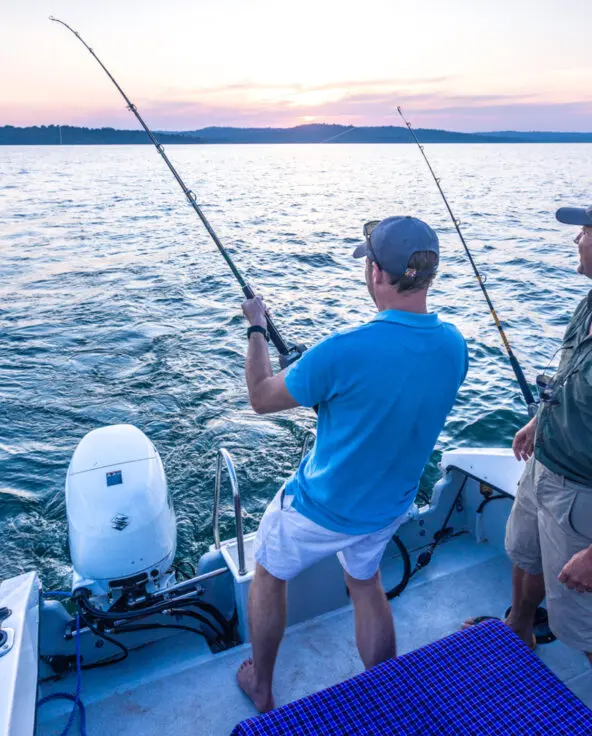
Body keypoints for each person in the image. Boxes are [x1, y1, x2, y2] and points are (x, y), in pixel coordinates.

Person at [237, 216, 468, 712]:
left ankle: (261, 685)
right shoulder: (454, 345)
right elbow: (390, 402)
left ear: (378, 275)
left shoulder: (343, 350)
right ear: (428, 274)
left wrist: (257, 326)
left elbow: (260, 397)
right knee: (366, 584)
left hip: (323, 507)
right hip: (388, 507)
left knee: (268, 571)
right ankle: (382, 689)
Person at [464, 205, 592, 664]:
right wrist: (541, 420)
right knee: (525, 552)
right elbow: (571, 376)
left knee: (584, 624)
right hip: (545, 464)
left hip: (582, 497)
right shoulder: (590, 302)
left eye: (584, 231)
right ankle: (518, 629)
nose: (577, 240)